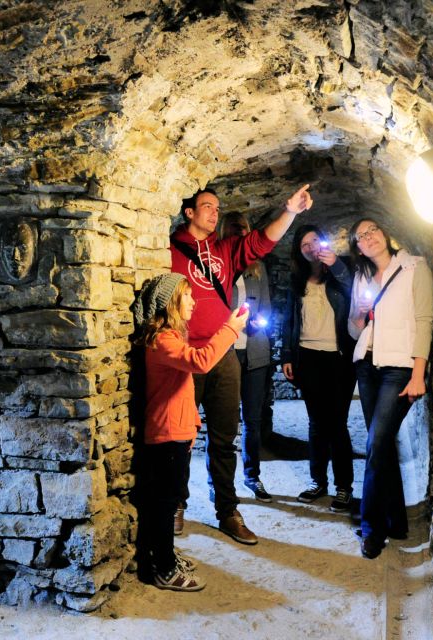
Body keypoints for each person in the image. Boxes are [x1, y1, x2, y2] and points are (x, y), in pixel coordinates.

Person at [170, 184, 312, 545]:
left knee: (223, 437)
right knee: (181, 437)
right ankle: (175, 503)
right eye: (207, 207)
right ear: (189, 212)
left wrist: (290, 211)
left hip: (223, 354)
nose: (215, 213)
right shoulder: (169, 250)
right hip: (185, 356)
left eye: (218, 208)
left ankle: (227, 510)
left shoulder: (224, 250)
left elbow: (262, 241)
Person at [131, 273, 248, 590]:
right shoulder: (163, 341)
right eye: (188, 296)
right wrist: (230, 330)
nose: (194, 302)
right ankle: (163, 569)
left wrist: (192, 425)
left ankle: (163, 555)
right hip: (166, 433)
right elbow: (203, 361)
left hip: (177, 431)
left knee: (166, 499)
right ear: (171, 302)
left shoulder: (170, 337)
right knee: (164, 503)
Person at [347, 218, 433, 559]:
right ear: (358, 247)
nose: (368, 238)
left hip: (399, 370)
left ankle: (372, 528)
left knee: (375, 444)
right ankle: (396, 521)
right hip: (366, 366)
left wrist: (418, 373)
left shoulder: (415, 267)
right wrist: (359, 316)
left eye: (372, 231)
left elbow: (424, 321)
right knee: (380, 446)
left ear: (384, 233)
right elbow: (356, 331)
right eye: (361, 237)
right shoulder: (361, 278)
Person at [281, 225, 358, 514]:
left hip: (339, 357)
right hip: (308, 356)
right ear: (299, 250)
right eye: (304, 243)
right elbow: (289, 319)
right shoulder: (296, 280)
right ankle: (318, 481)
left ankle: (344, 486)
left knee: (337, 423)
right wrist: (287, 354)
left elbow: (353, 289)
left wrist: (335, 263)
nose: (310, 245)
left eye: (315, 239)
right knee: (316, 422)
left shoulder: (342, 269)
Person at [220, 212, 274, 503]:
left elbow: (265, 305)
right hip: (225, 350)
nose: (239, 233)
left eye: (244, 228)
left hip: (254, 351)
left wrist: (259, 321)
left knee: (253, 419)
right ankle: (222, 482)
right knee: (226, 422)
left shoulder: (258, 268)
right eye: (234, 228)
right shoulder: (217, 266)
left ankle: (253, 476)